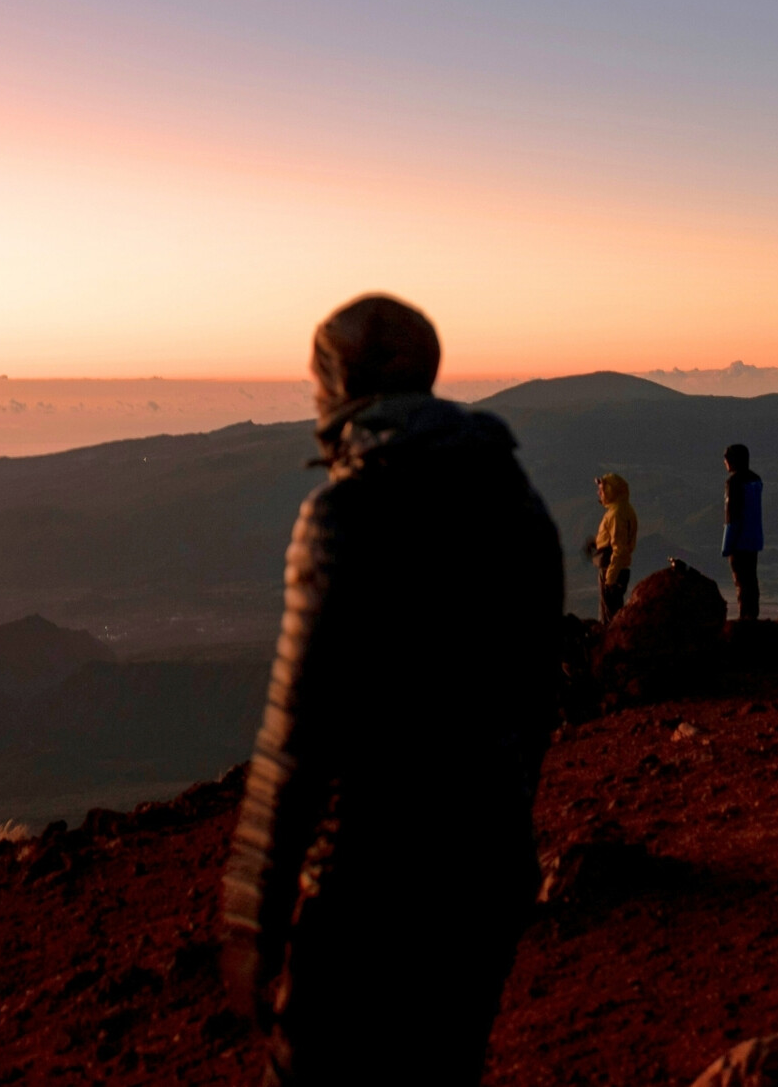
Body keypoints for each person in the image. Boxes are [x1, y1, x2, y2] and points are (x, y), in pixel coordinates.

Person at [220, 294, 564, 1086]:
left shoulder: (343, 512)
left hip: (370, 880)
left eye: (318, 375)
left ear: (343, 383)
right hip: (490, 870)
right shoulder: (518, 500)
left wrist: (254, 921)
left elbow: (296, 739)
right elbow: (534, 703)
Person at [586, 472, 637, 623]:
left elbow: (619, 548)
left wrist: (610, 579)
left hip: (611, 570)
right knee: (612, 614)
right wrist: (597, 542)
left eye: (602, 490)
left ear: (610, 491)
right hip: (616, 569)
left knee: (609, 618)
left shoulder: (616, 515)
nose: (599, 493)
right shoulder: (623, 510)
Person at [721, 443, 764, 621]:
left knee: (741, 582)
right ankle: (752, 616)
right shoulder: (756, 480)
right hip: (753, 539)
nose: (725, 463)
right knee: (751, 580)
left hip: (739, 541)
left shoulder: (733, 482)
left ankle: (745, 619)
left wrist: (727, 544)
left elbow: (732, 516)